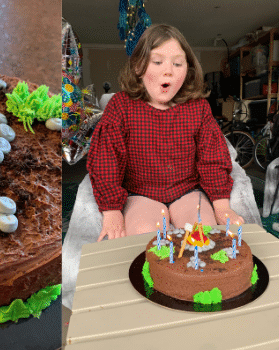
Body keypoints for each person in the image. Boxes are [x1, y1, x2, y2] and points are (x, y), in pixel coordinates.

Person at [87, 24, 244, 241]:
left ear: (187, 70)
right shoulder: (120, 106)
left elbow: (213, 157)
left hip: (188, 191)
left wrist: (221, 207)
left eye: (177, 63)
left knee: (202, 234)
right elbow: (106, 158)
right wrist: (112, 209)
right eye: (158, 62)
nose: (168, 70)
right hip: (141, 194)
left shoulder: (198, 107)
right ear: (138, 67)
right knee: (146, 238)